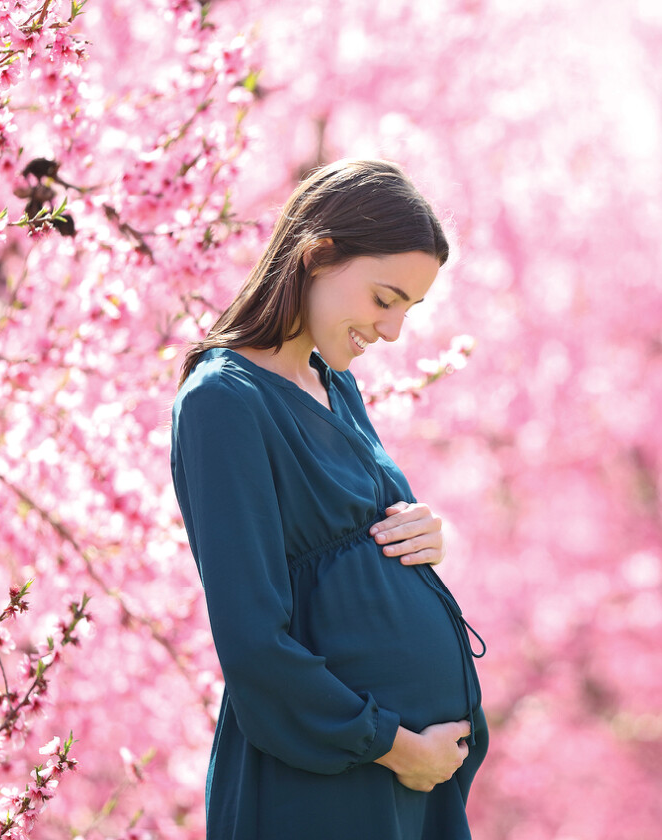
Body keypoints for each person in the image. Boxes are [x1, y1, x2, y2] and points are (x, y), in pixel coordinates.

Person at [171, 159, 487, 840]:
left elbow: (359, 543)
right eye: (384, 298)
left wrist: (427, 534)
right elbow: (255, 645)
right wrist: (401, 747)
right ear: (318, 256)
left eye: (410, 307)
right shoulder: (223, 402)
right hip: (324, 786)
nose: (395, 330)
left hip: (400, 787)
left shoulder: (334, 385)